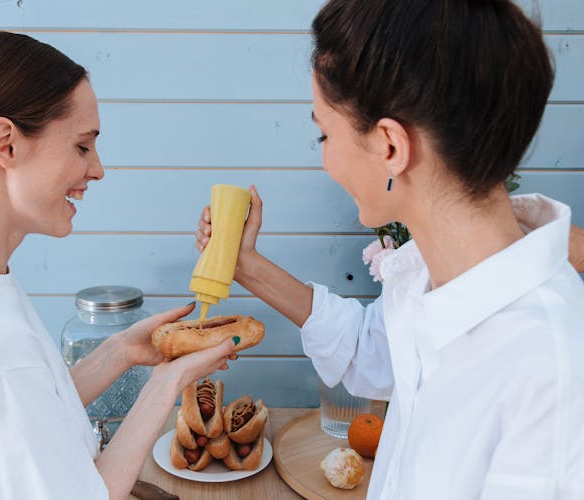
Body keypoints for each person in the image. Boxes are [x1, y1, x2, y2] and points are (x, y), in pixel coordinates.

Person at [196, 1, 584, 498]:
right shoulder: (435, 274)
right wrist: (246, 266)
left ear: (390, 147)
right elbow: (374, 350)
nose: (324, 159)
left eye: (324, 132)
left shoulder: (545, 370)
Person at [0, 31, 237, 500]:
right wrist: (168, 382)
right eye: (82, 146)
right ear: (7, 144)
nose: (97, 169)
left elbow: (29, 415)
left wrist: (121, 350)